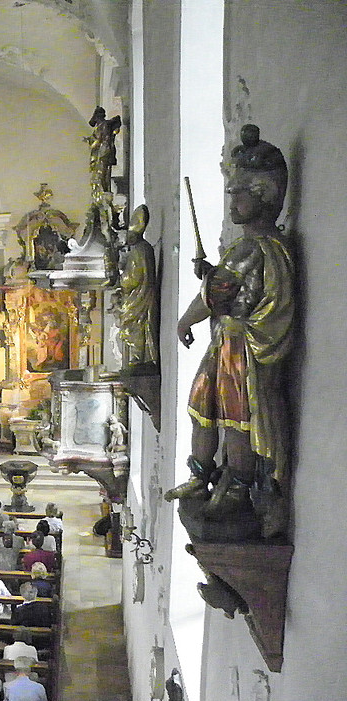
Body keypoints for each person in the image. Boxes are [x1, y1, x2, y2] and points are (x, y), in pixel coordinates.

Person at [166, 126, 294, 538]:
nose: (231, 199)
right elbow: (233, 287)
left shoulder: (249, 247)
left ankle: (236, 486)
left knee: (234, 418)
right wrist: (214, 276)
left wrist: (185, 320)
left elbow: (217, 295)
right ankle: (201, 475)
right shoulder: (273, 244)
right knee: (203, 407)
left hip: (238, 348)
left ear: (264, 196)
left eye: (239, 192)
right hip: (228, 343)